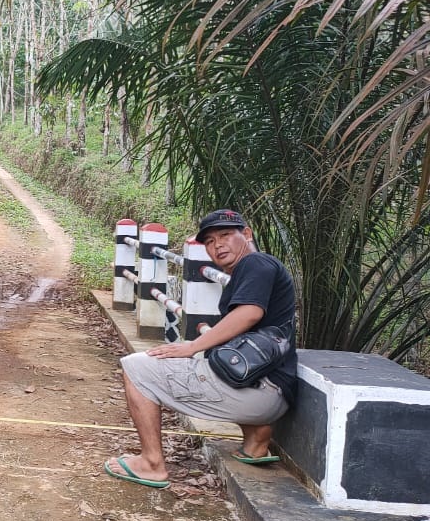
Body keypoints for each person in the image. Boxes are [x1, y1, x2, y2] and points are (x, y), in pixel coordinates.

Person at [105, 209, 297, 489]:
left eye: (225, 236)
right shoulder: (262, 267)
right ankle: (256, 443)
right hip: (275, 395)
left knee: (137, 367)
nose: (217, 245)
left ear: (246, 234)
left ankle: (151, 464)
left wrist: (192, 347)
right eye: (209, 241)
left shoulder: (255, 264)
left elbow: (249, 313)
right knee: (224, 358)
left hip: (259, 395)